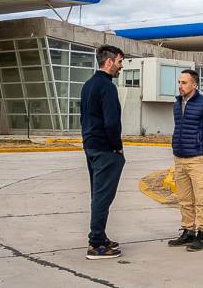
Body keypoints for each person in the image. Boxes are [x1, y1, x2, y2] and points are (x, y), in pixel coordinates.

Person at [167, 68, 203, 252]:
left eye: (184, 83)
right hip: (179, 158)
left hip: (198, 158)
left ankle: (202, 234)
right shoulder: (177, 104)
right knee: (184, 199)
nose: (180, 86)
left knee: (201, 199)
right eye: (179, 82)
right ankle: (188, 231)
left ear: (195, 85)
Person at [81, 44, 126, 260]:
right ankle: (96, 243)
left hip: (91, 146)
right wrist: (117, 146)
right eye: (119, 62)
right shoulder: (107, 87)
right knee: (102, 197)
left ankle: (101, 235)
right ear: (108, 62)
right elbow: (111, 123)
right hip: (106, 150)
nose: (121, 67)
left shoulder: (88, 85)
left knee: (98, 195)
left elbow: (85, 119)